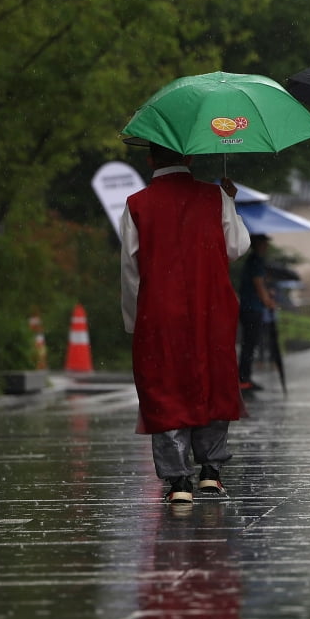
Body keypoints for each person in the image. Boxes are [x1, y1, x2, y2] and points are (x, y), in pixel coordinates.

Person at [121, 142, 250, 504]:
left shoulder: (137, 204)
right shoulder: (215, 196)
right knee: (212, 380)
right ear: (190, 157)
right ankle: (211, 471)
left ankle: (178, 481)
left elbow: (130, 271)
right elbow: (236, 248)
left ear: (150, 159)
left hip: (159, 310)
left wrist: (135, 319)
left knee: (165, 386)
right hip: (210, 306)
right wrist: (230, 202)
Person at [237, 234, 275, 391]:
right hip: (252, 309)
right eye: (264, 243)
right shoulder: (256, 262)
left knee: (249, 344)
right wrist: (268, 302)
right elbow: (258, 285)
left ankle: (245, 376)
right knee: (249, 344)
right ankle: (244, 378)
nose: (266, 246)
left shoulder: (253, 261)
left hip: (249, 308)